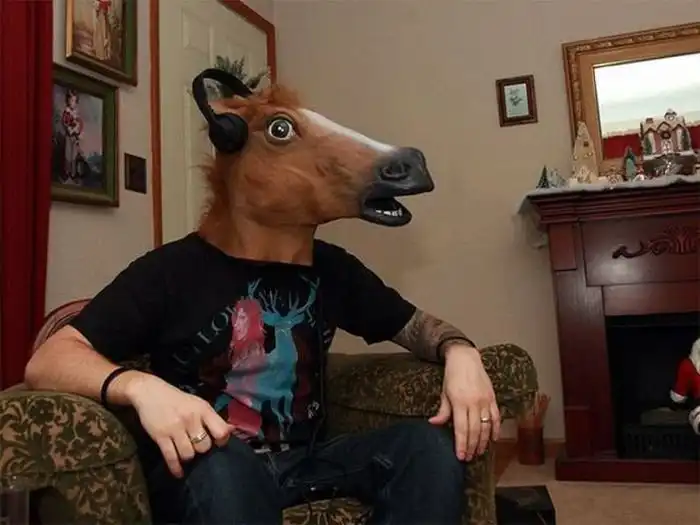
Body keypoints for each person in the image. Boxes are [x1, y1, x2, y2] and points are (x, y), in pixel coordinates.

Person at [26, 75, 501, 524]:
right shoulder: (171, 271)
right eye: (280, 131)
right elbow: (50, 359)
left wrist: (460, 353)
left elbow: (415, 326)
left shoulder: (332, 268)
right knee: (222, 465)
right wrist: (140, 387)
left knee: (426, 448)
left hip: (308, 461)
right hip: (210, 464)